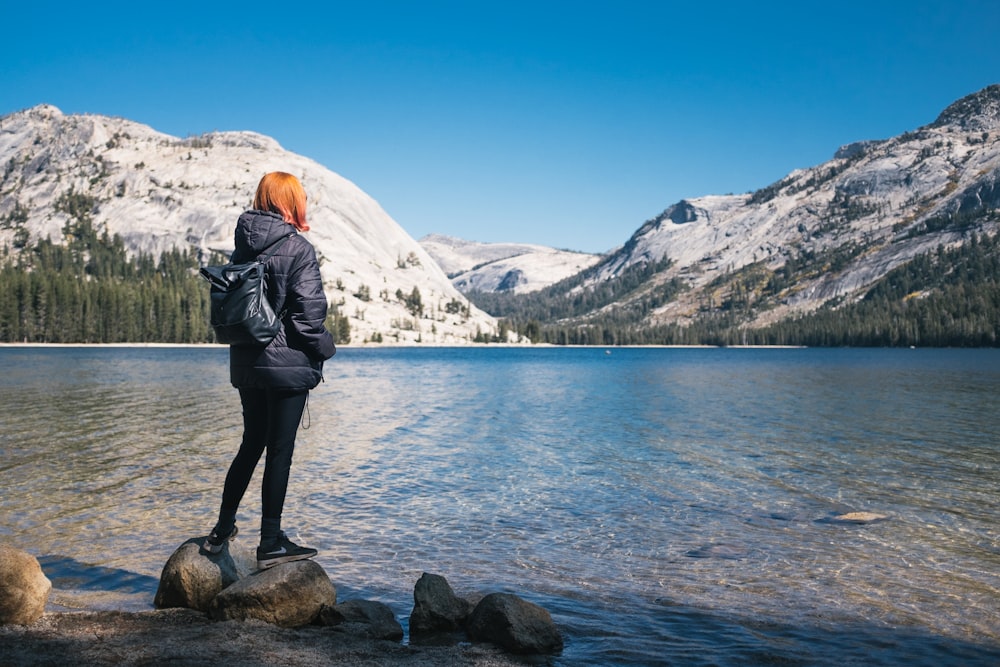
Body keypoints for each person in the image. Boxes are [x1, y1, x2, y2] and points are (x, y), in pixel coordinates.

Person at [204, 171, 337, 569]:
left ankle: (222, 529)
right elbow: (308, 319)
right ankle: (271, 542)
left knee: (251, 444)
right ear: (289, 202)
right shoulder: (298, 249)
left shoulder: (241, 247)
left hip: (248, 362)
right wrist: (327, 350)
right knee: (280, 451)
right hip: (286, 367)